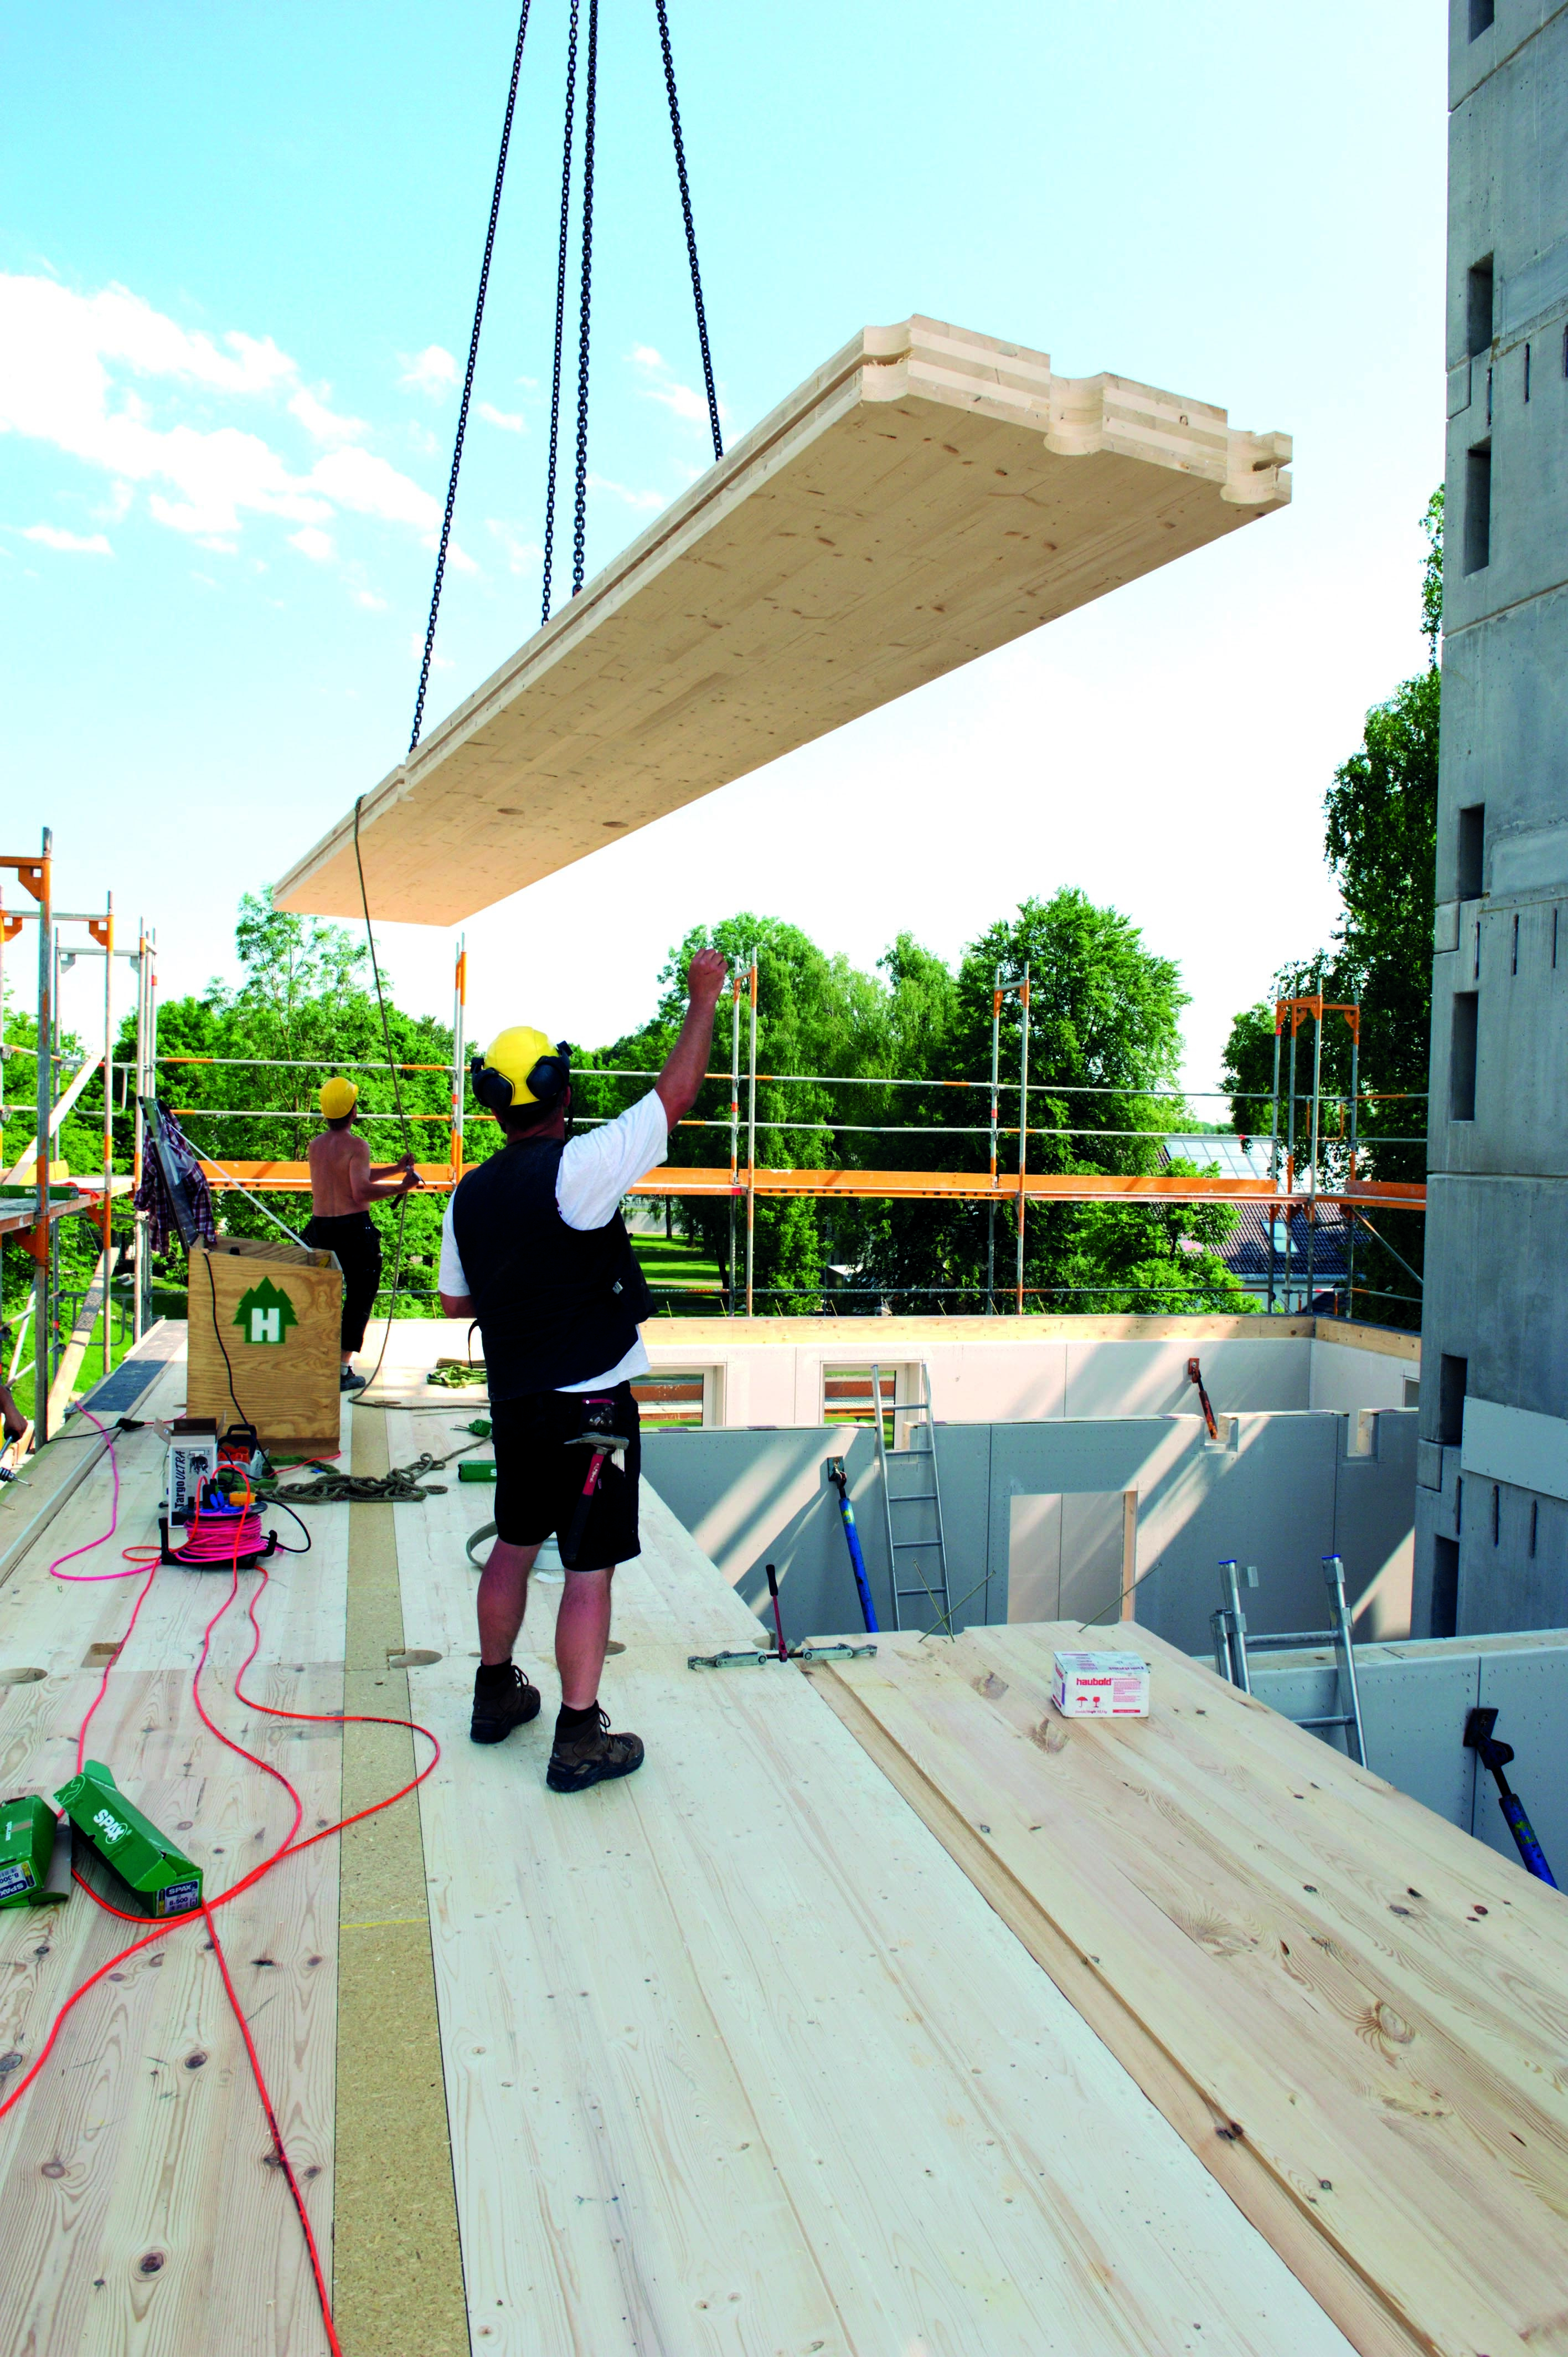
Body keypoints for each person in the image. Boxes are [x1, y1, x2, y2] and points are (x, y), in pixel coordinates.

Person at [439, 946, 728, 1793]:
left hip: (519, 1402)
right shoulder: (580, 1167)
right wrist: (702, 994)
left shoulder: (469, 1193)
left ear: (495, 1107)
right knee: (587, 1570)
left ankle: (496, 1697)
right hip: (593, 1407)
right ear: (562, 1094)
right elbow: (674, 1098)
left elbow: (458, 1307)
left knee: (515, 1545)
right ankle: (577, 1739)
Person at [305, 1078, 421, 1393]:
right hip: (352, 1229)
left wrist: (395, 1169)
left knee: (320, 1296)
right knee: (360, 1295)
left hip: (320, 1228)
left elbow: (352, 1176)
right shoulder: (357, 1145)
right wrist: (402, 1186)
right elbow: (359, 1192)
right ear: (353, 1111)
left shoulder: (316, 1146)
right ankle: (341, 1370)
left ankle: (316, 1359)